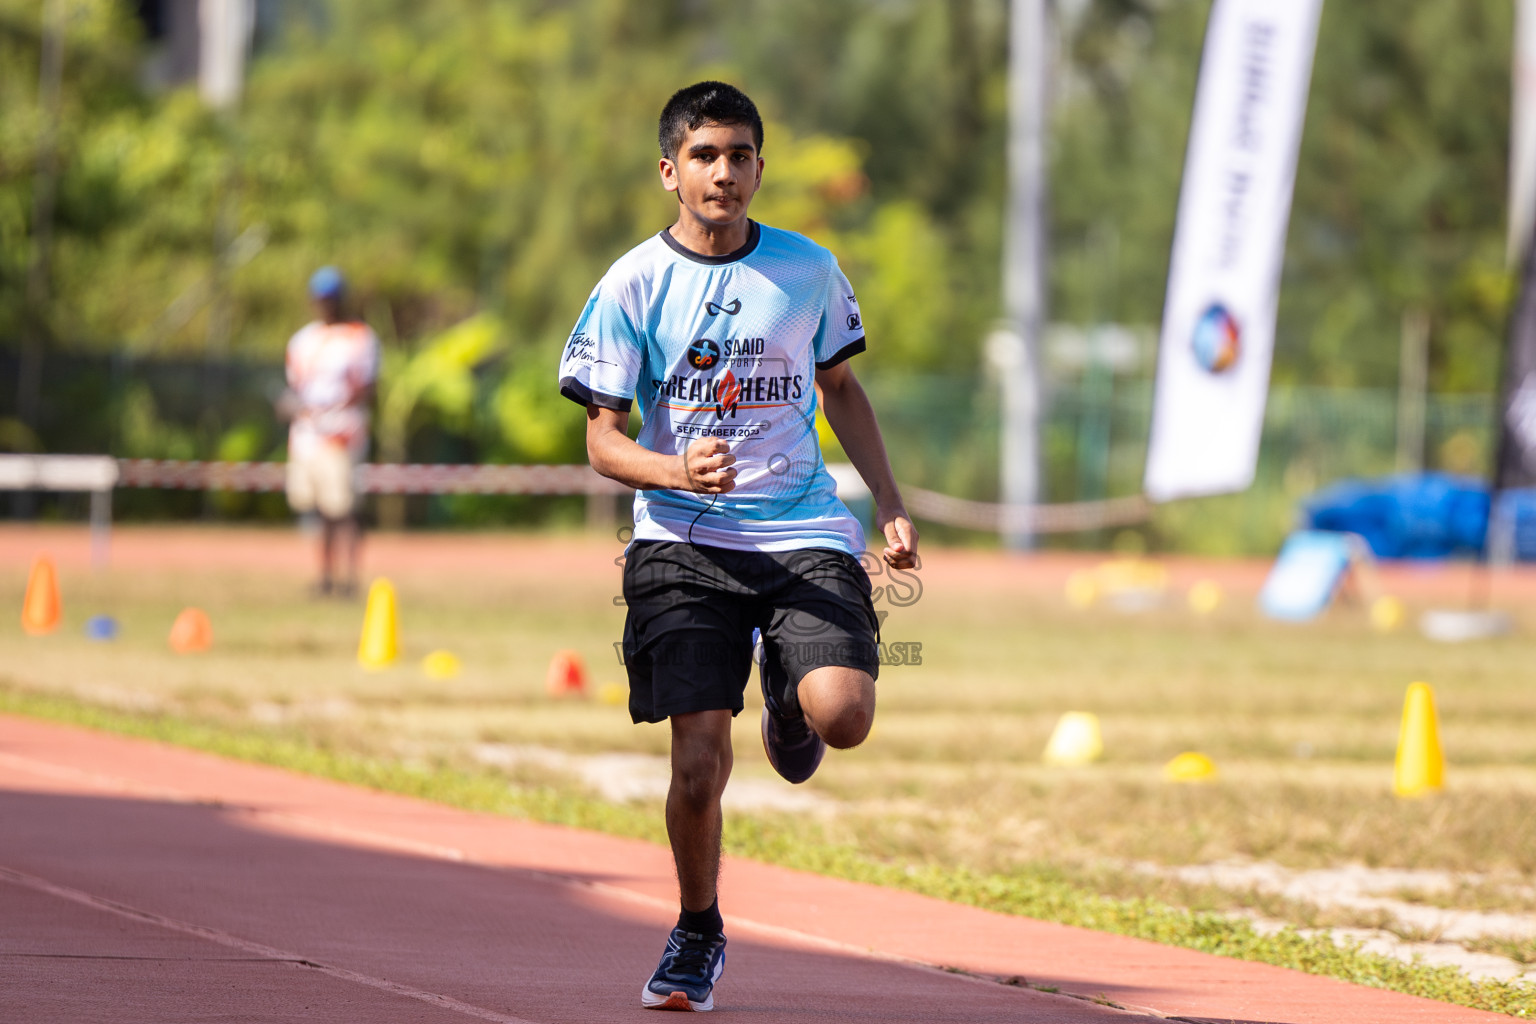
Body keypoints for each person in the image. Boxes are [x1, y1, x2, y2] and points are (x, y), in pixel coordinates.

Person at [556, 81, 918, 1013]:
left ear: (762, 166)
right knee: (696, 765)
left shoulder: (808, 270)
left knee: (844, 715)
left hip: (801, 528)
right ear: (670, 170)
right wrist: (673, 473)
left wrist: (888, 501)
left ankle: (792, 710)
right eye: (706, 156)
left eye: (742, 154)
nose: (726, 172)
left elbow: (841, 391)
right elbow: (602, 441)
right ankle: (697, 929)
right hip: (682, 542)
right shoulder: (632, 283)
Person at [277, 266, 380, 598]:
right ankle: (324, 578)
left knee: (344, 509)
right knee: (318, 510)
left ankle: (349, 581)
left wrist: (333, 412)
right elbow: (294, 389)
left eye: (332, 298)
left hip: (341, 434)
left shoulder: (359, 337)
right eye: (321, 299)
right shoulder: (303, 339)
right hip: (307, 437)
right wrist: (291, 407)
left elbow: (367, 387)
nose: (327, 305)